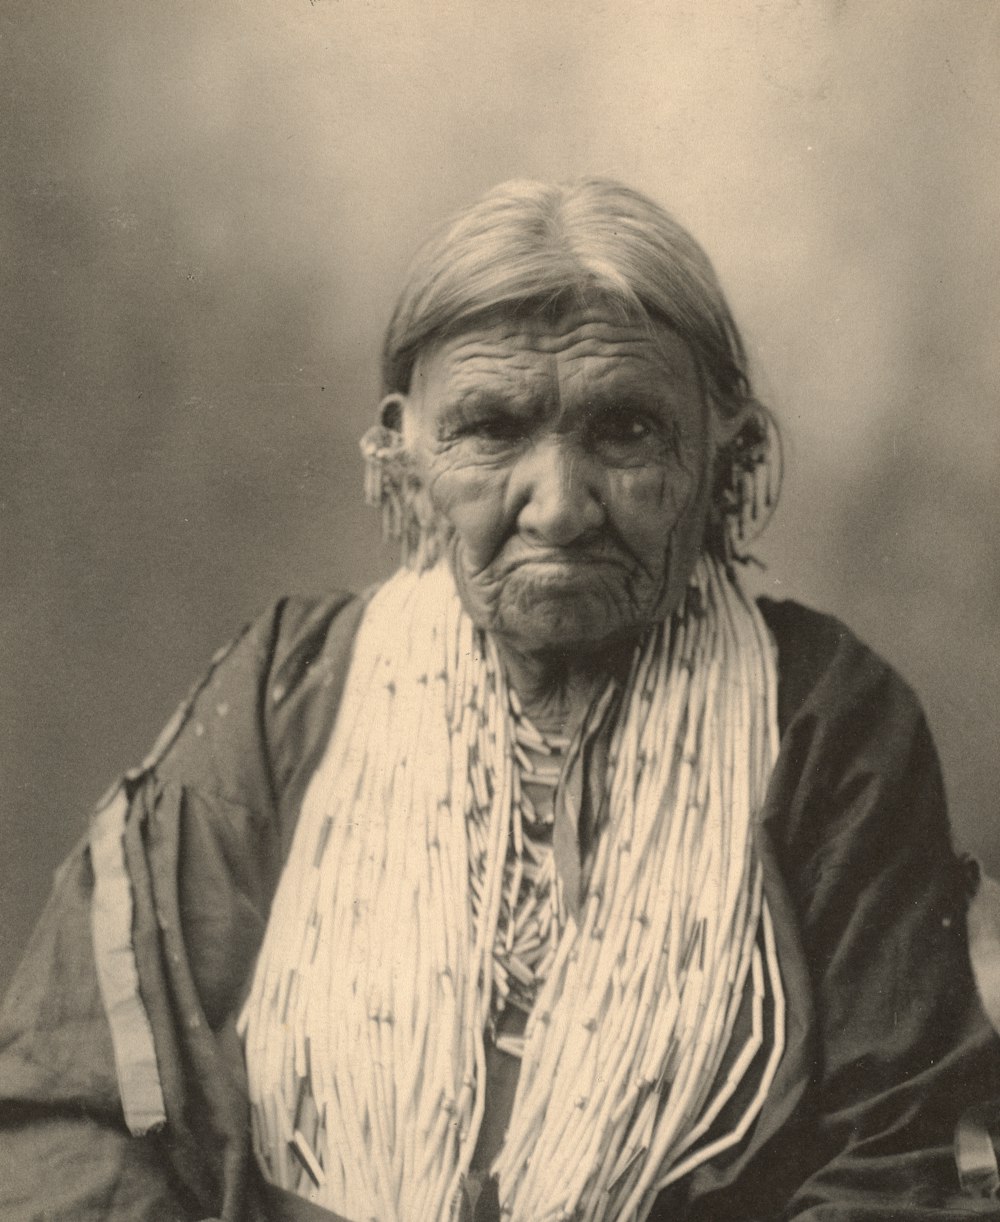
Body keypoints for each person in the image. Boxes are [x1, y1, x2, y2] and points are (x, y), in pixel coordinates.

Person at [1, 178, 999, 1222]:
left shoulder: (826, 721)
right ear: (405, 451)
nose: (559, 506)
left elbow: (894, 1159)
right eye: (490, 428)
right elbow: (78, 1112)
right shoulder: (287, 692)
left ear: (722, 451)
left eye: (624, 430)